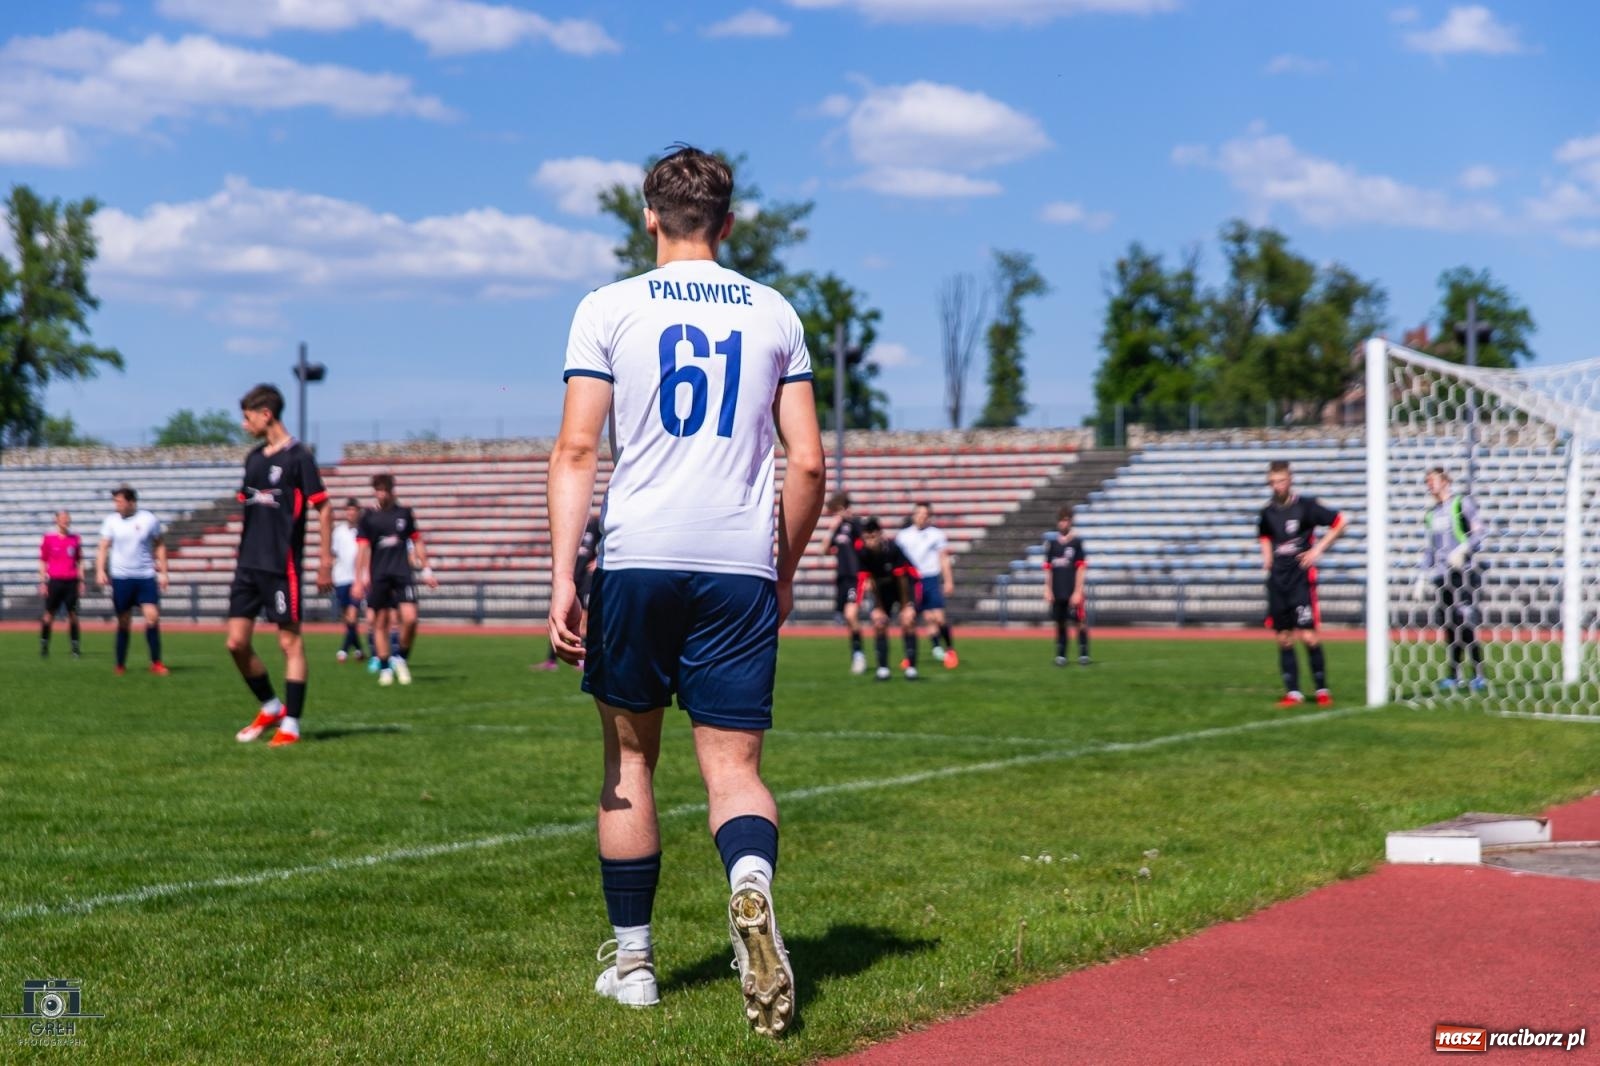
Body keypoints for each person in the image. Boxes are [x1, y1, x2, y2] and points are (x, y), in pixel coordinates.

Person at [546, 146, 824, 1036]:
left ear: (648, 215)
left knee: (630, 765)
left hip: (637, 556)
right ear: (730, 223)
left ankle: (633, 967)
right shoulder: (776, 311)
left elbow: (580, 449)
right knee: (735, 772)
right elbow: (809, 462)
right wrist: (779, 569)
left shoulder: (608, 307)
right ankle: (749, 884)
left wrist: (563, 575)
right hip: (737, 562)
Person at [228, 384, 334, 747]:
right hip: (247, 566)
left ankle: (291, 724)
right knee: (235, 643)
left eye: (247, 417)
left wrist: (324, 560)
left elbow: (324, 508)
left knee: (290, 643)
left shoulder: (299, 457)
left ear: (266, 414)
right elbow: (248, 505)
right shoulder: (254, 459)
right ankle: (271, 706)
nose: (244, 425)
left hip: (280, 566)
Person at [1257, 460, 1347, 707]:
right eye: (1273, 482)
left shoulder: (1306, 507)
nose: (1277, 486)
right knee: (1284, 638)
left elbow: (1340, 521)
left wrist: (1317, 549)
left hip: (1300, 580)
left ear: (1290, 480)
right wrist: (1266, 556)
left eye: (1281, 481)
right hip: (1277, 582)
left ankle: (1321, 690)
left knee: (1308, 637)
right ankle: (1293, 693)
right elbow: (1264, 534)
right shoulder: (1267, 512)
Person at [353, 473, 439, 686]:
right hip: (379, 574)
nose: (381, 494)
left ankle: (399, 657)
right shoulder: (368, 517)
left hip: (402, 573)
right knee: (380, 622)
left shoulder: (404, 513)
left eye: (385, 490)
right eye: (378, 490)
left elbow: (417, 541)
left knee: (410, 618)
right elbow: (363, 548)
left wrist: (426, 569)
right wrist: (359, 577)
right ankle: (385, 668)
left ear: (392, 491)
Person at [1414, 466, 1488, 692]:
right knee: (1449, 626)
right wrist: (1422, 576)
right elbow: (1430, 548)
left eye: (1433, 480)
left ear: (1445, 481)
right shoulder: (1430, 514)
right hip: (1441, 575)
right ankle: (1454, 675)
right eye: (1427, 481)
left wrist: (1464, 549)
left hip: (1462, 572)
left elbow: (1480, 531)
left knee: (1464, 620)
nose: (1429, 485)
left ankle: (1478, 674)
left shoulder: (1460, 503)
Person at [96, 485, 168, 675]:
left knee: (152, 617)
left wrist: (164, 572)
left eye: (119, 501)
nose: (116, 505)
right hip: (121, 578)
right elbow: (103, 547)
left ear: (131, 502)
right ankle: (120, 664)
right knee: (124, 622)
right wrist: (100, 570)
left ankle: (156, 662)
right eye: (115, 501)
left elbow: (159, 544)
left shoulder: (148, 519)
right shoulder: (111, 521)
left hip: (145, 576)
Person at [855, 517, 921, 681]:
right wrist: (877, 607)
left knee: (908, 621)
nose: (870, 542)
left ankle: (911, 667)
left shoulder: (892, 549)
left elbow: (903, 579)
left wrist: (906, 606)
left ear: (879, 534)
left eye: (872, 537)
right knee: (879, 623)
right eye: (866, 538)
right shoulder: (863, 554)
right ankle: (883, 668)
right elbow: (869, 580)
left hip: (905, 587)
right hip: (882, 590)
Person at [895, 501, 958, 668]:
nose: (922, 517)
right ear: (914, 515)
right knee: (911, 619)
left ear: (929, 517)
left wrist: (948, 581)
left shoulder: (936, 534)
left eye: (925, 514)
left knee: (938, 618)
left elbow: (943, 558)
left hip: (930, 578)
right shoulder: (903, 536)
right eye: (919, 514)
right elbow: (898, 561)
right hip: (911, 580)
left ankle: (950, 649)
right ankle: (910, 655)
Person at [538, 514, 601, 671]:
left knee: (585, 621)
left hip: (586, 580)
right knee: (560, 618)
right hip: (569, 578)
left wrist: (600, 559)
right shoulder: (570, 524)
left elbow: (609, 538)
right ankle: (552, 661)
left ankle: (583, 658)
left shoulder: (594, 525)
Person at [824, 492, 867, 674]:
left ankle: (859, 656)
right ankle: (857, 653)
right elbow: (824, 550)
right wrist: (832, 529)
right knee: (846, 620)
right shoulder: (838, 528)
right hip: (841, 578)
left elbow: (865, 542)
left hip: (855, 577)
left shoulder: (856, 525)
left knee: (851, 615)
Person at [1043, 506, 1089, 666]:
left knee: (1079, 621)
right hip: (1057, 589)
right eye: (1061, 520)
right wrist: (1047, 589)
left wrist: (1078, 591)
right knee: (1060, 621)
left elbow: (1081, 568)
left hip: (1072, 589)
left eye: (1066, 520)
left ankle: (1083, 652)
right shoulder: (1052, 544)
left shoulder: (1076, 543)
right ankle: (1061, 654)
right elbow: (1048, 568)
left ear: (1070, 522)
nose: (1063, 523)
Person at [39, 510, 85, 659]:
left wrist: (81, 580)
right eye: (62, 518)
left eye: (67, 518)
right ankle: (44, 645)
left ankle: (75, 648)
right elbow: (43, 561)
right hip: (55, 582)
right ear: (57, 520)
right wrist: (43, 581)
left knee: (73, 615)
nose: (65, 521)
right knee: (48, 615)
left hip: (71, 582)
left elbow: (80, 561)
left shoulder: (75, 539)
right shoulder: (49, 538)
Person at [330, 498, 365, 662]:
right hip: (341, 578)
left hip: (357, 578)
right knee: (348, 618)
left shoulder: (364, 530)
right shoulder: (339, 531)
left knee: (352, 615)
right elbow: (334, 553)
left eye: (354, 510)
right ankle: (358, 649)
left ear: (358, 512)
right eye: (348, 510)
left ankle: (343, 651)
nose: (351, 513)